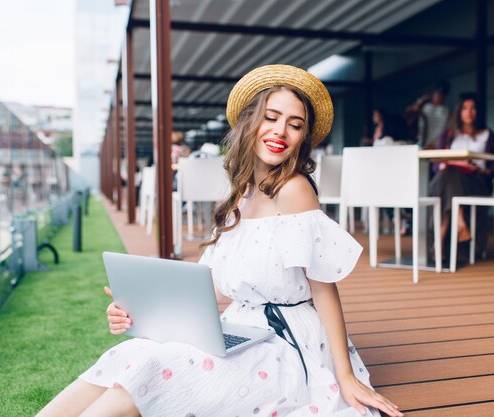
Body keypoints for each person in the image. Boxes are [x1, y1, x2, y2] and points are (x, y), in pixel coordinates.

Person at [36, 65, 403, 417]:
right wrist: (139, 309)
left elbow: (324, 289)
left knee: (149, 375)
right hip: (234, 328)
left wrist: (345, 377)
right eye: (271, 117)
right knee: (131, 355)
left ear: (303, 138)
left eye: (295, 125)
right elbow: (207, 286)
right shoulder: (239, 195)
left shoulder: (295, 190)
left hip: (286, 343)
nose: (280, 132)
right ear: (250, 121)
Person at [429, 92, 494, 251]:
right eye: (465, 108)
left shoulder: (489, 136)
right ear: (459, 111)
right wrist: (443, 165)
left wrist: (478, 170)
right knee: (450, 174)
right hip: (449, 180)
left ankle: (438, 242)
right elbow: (435, 164)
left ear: (478, 111)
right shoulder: (448, 135)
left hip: (476, 183)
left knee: (450, 177)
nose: (469, 112)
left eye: (473, 108)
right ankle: (460, 223)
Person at [404, 80, 450, 148]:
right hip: (419, 144)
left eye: (443, 94)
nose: (440, 95)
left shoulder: (447, 112)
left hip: (435, 147)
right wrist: (420, 102)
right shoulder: (424, 106)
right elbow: (408, 113)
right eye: (438, 92)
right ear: (433, 92)